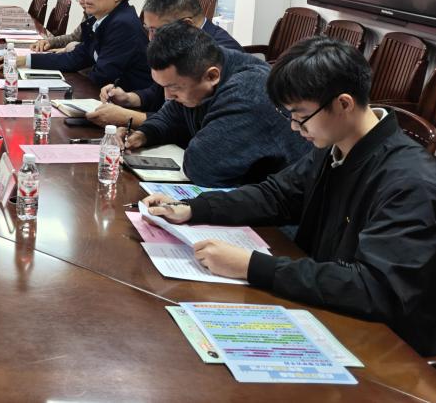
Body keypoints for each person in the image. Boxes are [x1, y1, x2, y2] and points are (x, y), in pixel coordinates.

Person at [142, 37, 436, 355]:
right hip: (326, 309)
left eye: (300, 116)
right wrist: (192, 209)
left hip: (387, 346)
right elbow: (278, 195)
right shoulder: (335, 145)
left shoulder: (410, 182)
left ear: (344, 104)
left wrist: (252, 265)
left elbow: (373, 288)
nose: (295, 128)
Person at [124, 23, 309, 187]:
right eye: (163, 86)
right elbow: (171, 116)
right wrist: (143, 134)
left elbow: (202, 166)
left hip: (285, 204)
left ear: (212, 76)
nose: (168, 96)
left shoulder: (248, 91)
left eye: (174, 88)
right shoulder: (204, 65)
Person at [89, 0, 243, 127]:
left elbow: (190, 123)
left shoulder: (219, 54)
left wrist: (129, 118)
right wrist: (128, 98)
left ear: (187, 25)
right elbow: (158, 92)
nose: (151, 38)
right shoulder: (181, 43)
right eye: (148, 29)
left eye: (157, 30)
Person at [14, 0, 151, 91]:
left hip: (126, 101)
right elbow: (76, 57)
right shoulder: (102, 19)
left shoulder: (123, 24)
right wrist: (25, 60)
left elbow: (102, 76)